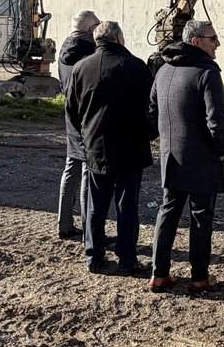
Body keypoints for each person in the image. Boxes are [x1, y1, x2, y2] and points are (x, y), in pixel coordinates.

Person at [64, 21, 156, 275]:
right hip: (131, 147)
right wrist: (149, 136)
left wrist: (86, 136)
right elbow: (152, 110)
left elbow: (71, 110)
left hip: (96, 147)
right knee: (127, 207)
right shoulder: (136, 67)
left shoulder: (81, 68)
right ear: (118, 37)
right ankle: (127, 258)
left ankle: (93, 256)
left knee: (95, 206)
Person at [147, 20, 224, 294]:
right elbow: (217, 120)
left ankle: (159, 274)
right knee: (201, 217)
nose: (217, 43)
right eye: (213, 38)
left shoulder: (164, 71)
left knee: (168, 211)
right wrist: (221, 151)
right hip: (202, 158)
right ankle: (199, 277)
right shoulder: (207, 74)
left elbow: (151, 113)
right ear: (196, 41)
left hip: (171, 156)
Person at [56, 10, 100, 240]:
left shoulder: (65, 48)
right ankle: (88, 229)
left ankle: (64, 223)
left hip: (70, 115)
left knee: (71, 167)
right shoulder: (90, 53)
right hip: (88, 115)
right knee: (87, 172)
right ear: (91, 29)